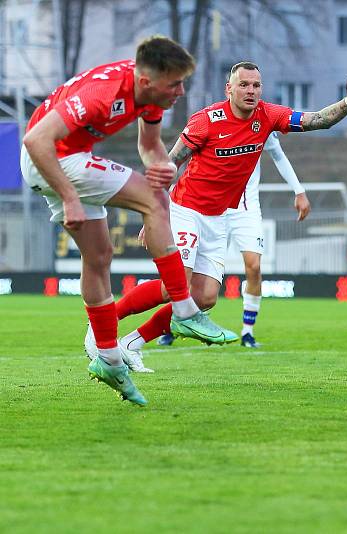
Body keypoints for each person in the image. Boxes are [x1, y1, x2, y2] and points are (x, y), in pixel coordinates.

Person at [103, 62, 347, 367]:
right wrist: (152, 210)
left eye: (256, 85)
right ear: (229, 89)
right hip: (186, 210)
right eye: (244, 85)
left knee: (205, 298)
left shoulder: (268, 115)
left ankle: (132, 342)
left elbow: (317, 121)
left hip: (219, 218)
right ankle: (105, 320)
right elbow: (169, 165)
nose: (251, 91)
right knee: (175, 286)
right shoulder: (205, 120)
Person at [20, 35, 234, 406]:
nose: (180, 91)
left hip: (62, 159)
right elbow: (36, 139)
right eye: (175, 84)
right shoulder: (104, 93)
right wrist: (70, 197)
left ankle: (109, 359)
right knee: (155, 203)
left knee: (99, 257)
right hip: (51, 158)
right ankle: (184, 311)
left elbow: (150, 148)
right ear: (148, 81)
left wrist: (162, 166)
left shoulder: (150, 97)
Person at [159, 133, 311, 348]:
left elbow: (278, 155)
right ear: (229, 95)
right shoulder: (214, 122)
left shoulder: (261, 122)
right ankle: (170, 325)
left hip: (245, 210)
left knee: (254, 266)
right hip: (211, 208)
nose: (250, 96)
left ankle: (247, 333)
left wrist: (299, 191)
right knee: (190, 277)